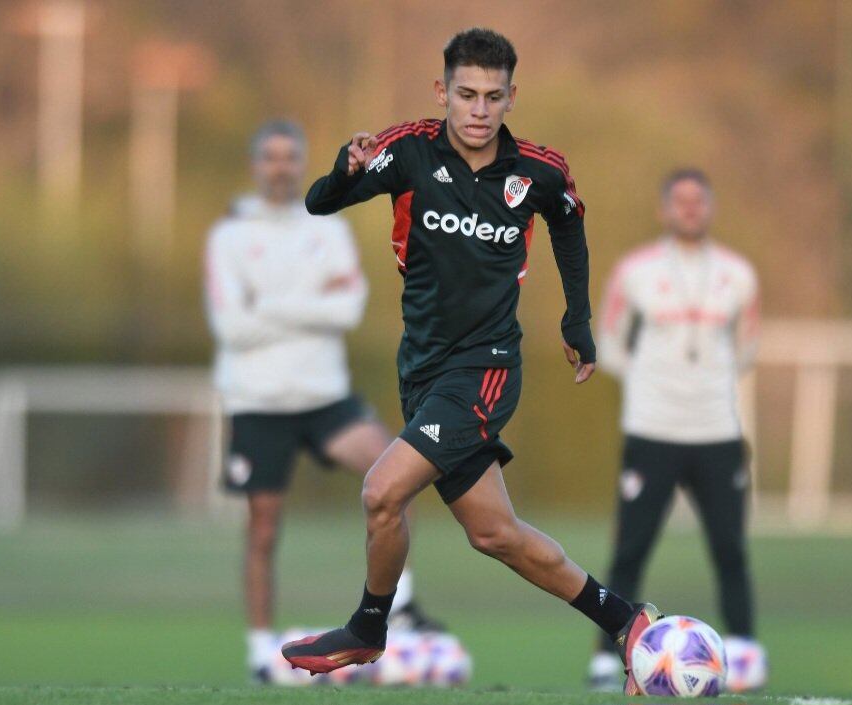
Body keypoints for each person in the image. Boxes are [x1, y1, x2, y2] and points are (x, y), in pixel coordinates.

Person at [280, 29, 661, 695]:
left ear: (511, 96)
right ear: (443, 92)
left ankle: (369, 627)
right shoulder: (407, 152)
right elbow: (319, 203)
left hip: (483, 369)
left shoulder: (538, 171)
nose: (479, 108)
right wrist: (345, 168)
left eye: (492, 96)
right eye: (466, 94)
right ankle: (628, 622)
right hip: (422, 368)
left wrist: (577, 317)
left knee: (381, 489)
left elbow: (570, 223)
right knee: (494, 532)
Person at [204, 119, 442, 683]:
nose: (282, 166)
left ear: (302, 161)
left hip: (324, 394)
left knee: (395, 474)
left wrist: (271, 303)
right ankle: (261, 648)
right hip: (257, 398)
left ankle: (397, 605)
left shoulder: (327, 227)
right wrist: (310, 300)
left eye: (292, 157)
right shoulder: (229, 236)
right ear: (256, 164)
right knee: (263, 529)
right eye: (271, 157)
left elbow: (349, 309)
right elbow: (232, 326)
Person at [588, 168, 763, 691]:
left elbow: (747, 346)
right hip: (652, 430)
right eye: (679, 201)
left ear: (709, 208)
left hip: (716, 431)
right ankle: (606, 656)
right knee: (630, 550)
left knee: (730, 548)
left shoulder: (737, 274)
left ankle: (747, 652)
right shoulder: (635, 270)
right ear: (664, 209)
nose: (689, 209)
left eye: (698, 201)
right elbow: (610, 339)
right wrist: (649, 380)